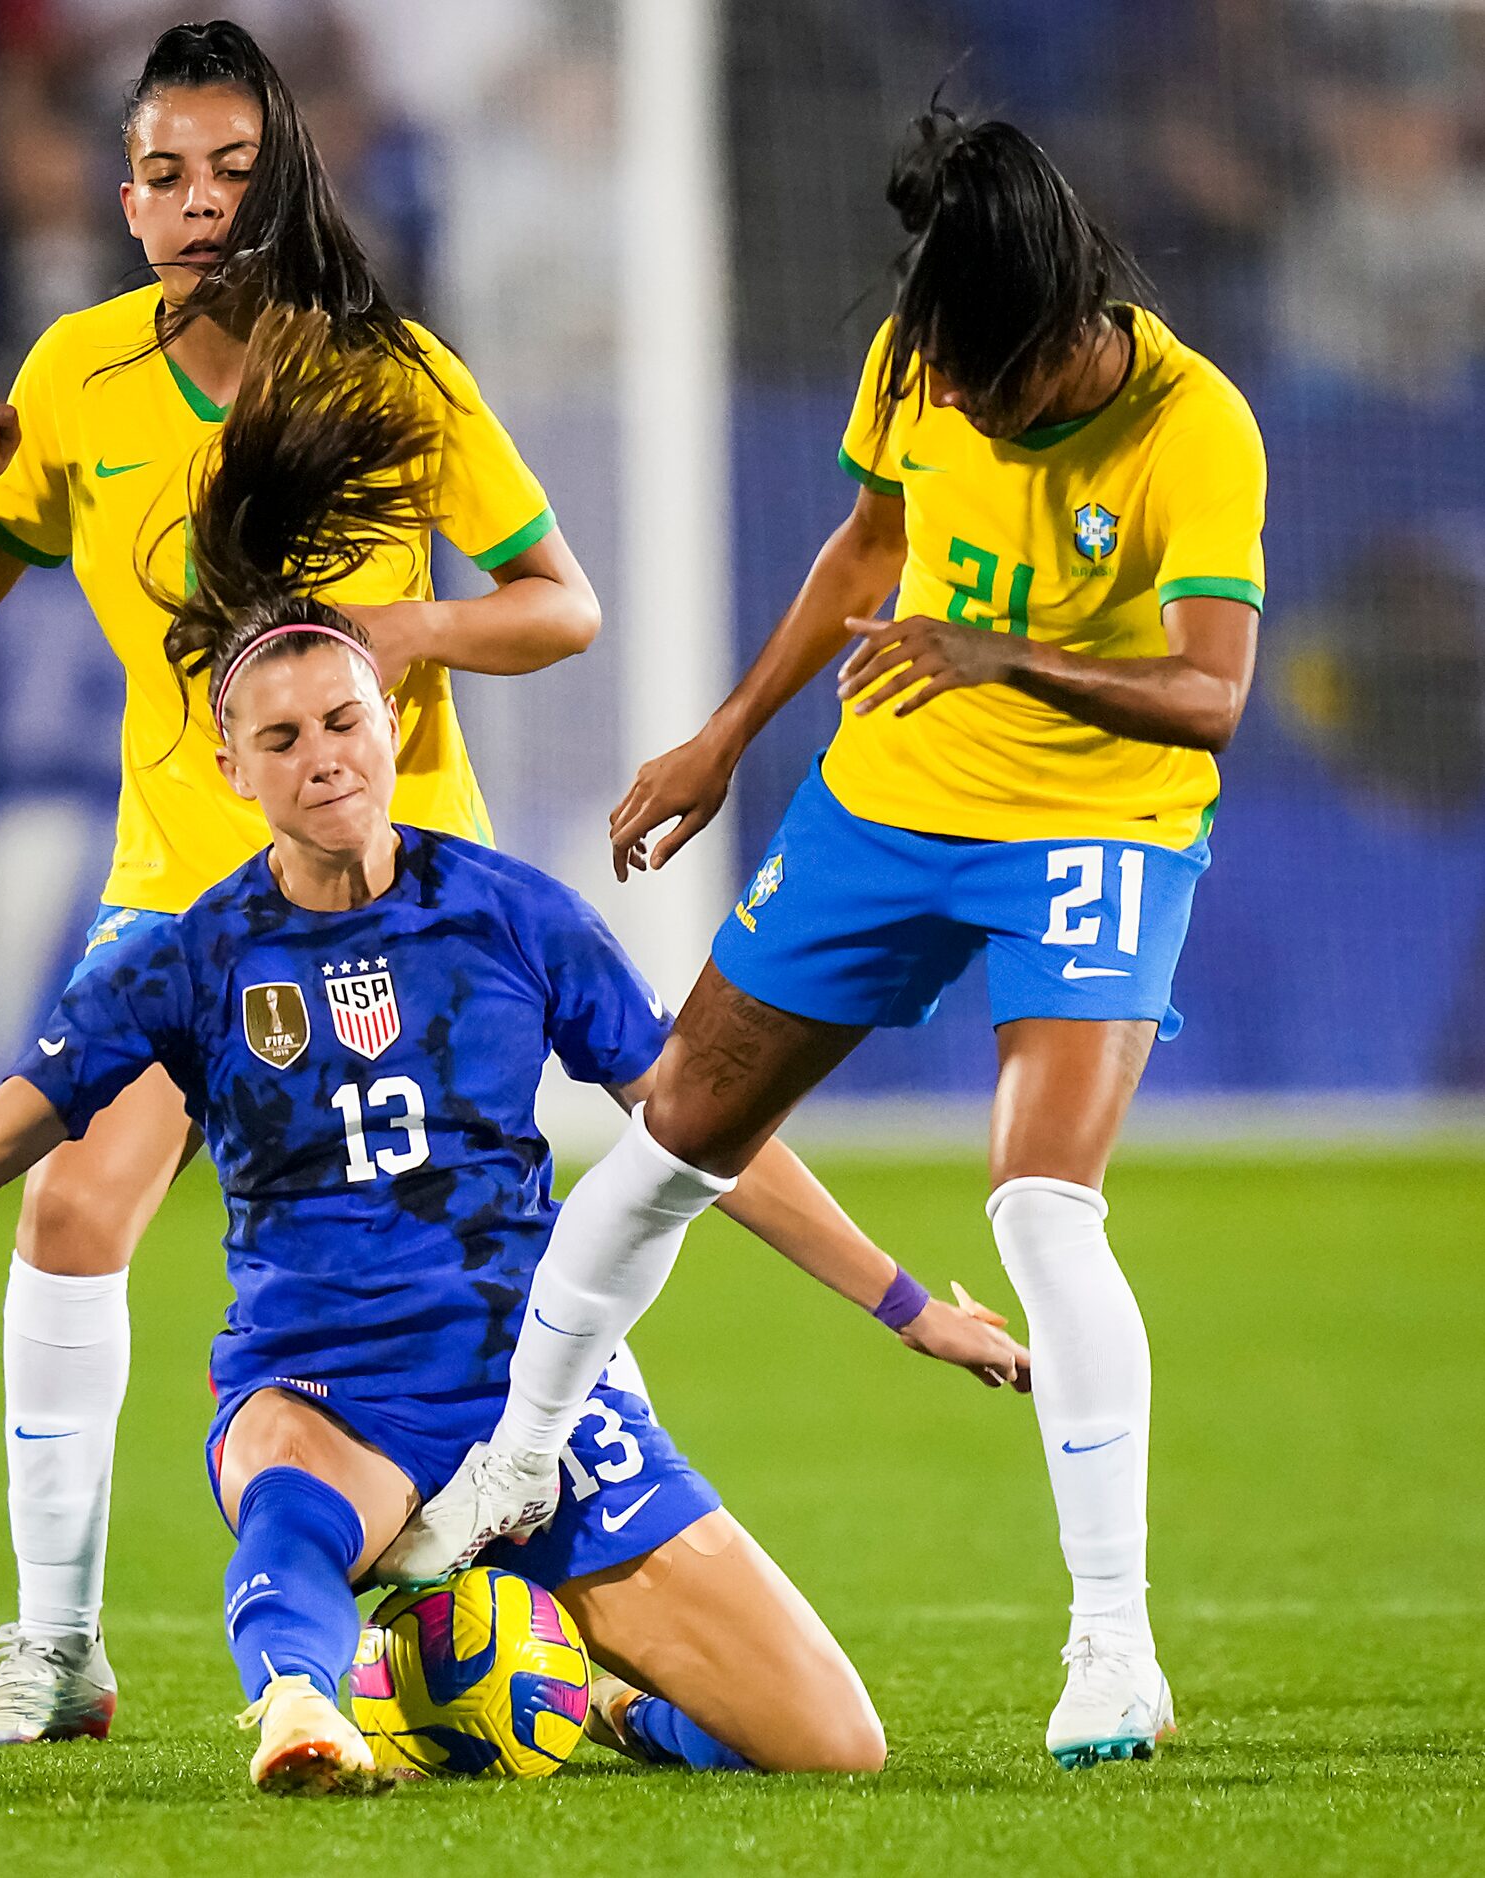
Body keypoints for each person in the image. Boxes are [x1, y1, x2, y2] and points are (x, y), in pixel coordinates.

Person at [0, 312, 1031, 1794]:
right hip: (330, 1392)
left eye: (342, 718)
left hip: (535, 1397)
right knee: (287, 1495)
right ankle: (302, 1707)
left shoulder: (517, 916)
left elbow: (700, 1135)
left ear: (392, 721)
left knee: (836, 1748)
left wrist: (908, 1307)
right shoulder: (184, 959)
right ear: (229, 766)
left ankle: (559, 1706)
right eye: (280, 737)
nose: (322, 753)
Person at [388, 103, 1268, 1775]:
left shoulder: (1193, 426)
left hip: (1096, 824)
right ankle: (517, 1455)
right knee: (671, 1137)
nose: (951, 404)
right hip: (885, 803)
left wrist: (1007, 657)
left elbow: (1209, 697)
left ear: (1062, 334)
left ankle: (1112, 1646)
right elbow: (865, 546)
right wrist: (724, 735)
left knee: (1038, 1203)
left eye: (980, 387)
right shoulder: (922, 352)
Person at [0, 20, 602, 1745]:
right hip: (188, 898)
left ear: (280, 180)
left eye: (229, 167)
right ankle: (58, 1650)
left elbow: (557, 599)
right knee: (70, 1209)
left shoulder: (390, 374)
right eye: (163, 171)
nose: (197, 200)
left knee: (466, 1255)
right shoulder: (73, 377)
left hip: (396, 905)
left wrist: (413, 624)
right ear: (123, 198)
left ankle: (568, 1566)